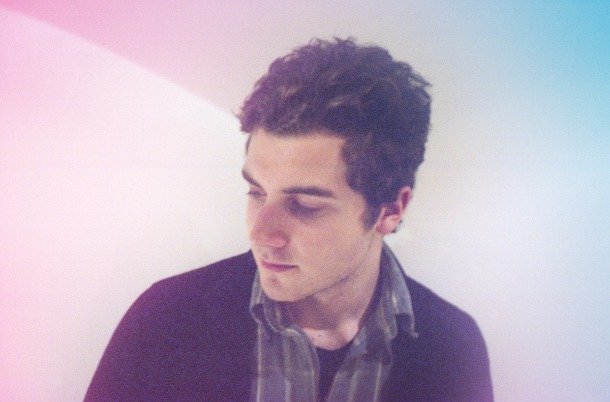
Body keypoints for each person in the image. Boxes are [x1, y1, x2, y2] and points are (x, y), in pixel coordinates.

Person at [86, 37, 493, 401]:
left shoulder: (453, 348)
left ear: (391, 210)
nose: (261, 233)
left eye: (305, 205)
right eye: (256, 192)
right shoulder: (166, 321)